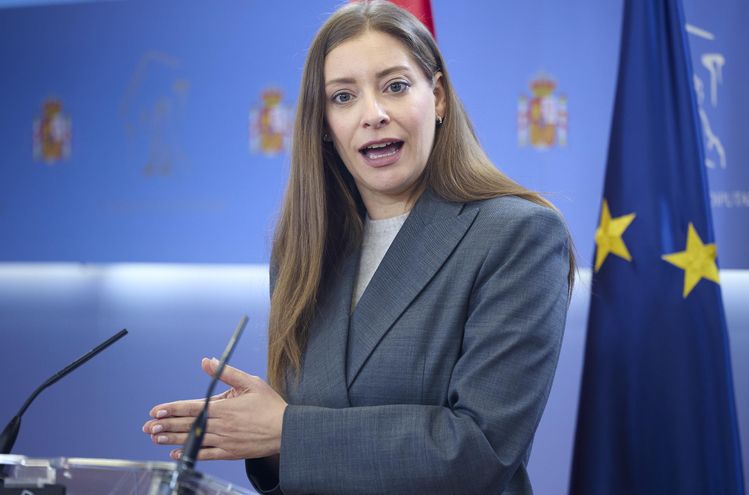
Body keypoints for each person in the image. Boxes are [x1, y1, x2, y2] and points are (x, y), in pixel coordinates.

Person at [142, 1, 574, 493]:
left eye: (395, 86)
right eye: (343, 97)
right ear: (324, 124)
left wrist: (284, 430)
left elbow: (479, 450)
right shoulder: (304, 250)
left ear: (437, 98)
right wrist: (261, 437)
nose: (373, 114)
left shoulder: (519, 234)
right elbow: (295, 443)